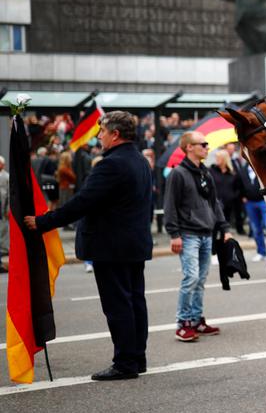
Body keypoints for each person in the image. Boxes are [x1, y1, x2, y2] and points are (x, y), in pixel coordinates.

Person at [24, 112, 153, 380]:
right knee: (134, 302)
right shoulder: (139, 160)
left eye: (102, 131)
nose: (99, 136)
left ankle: (125, 363)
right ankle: (137, 357)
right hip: (133, 244)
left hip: (110, 246)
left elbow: (81, 202)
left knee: (118, 306)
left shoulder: (111, 164)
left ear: (115, 134)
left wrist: (43, 222)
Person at [164, 131, 231, 342]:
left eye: (207, 144)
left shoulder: (206, 173)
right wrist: (174, 234)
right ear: (189, 147)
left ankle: (196, 320)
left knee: (200, 280)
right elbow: (170, 206)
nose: (207, 147)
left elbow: (215, 203)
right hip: (188, 233)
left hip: (206, 233)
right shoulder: (178, 174)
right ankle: (183, 323)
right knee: (191, 277)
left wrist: (224, 228)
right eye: (202, 144)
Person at [235, 154, 266, 262]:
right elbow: (239, 185)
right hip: (250, 203)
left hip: (263, 202)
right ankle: (261, 252)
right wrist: (243, 196)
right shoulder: (243, 170)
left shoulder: (262, 167)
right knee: (256, 229)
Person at [210, 149, 242, 237]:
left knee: (225, 230)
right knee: (214, 228)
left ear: (224, 159)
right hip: (215, 205)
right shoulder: (211, 171)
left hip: (228, 205)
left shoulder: (232, 173)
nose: (216, 160)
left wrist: (233, 196)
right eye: (216, 158)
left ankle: (223, 249)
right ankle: (213, 249)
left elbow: (238, 187)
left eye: (218, 158)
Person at [0, 156, 8, 274]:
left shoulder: (6, 177)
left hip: (2, 209)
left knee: (3, 232)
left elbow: (9, 195)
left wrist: (8, 209)